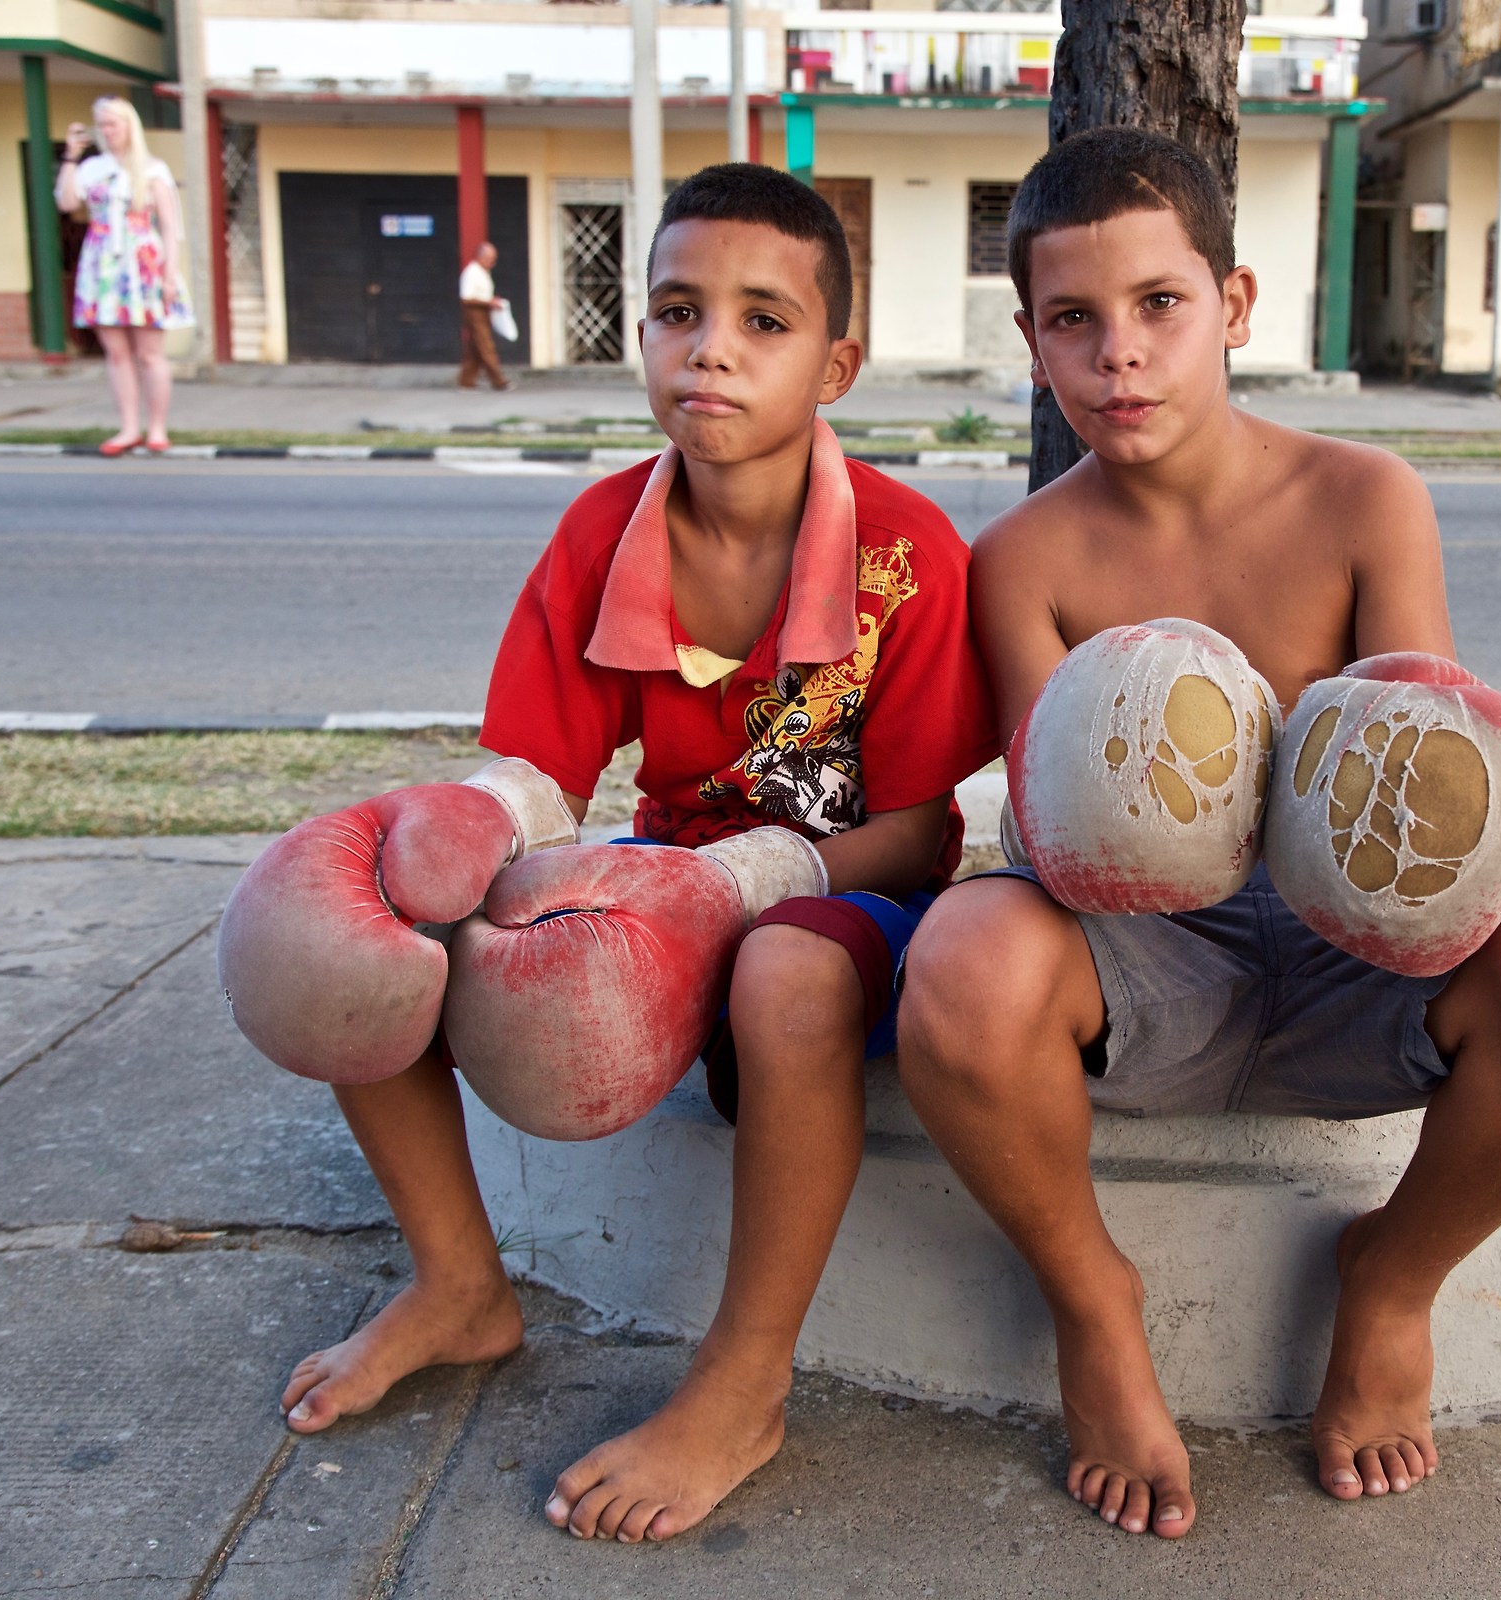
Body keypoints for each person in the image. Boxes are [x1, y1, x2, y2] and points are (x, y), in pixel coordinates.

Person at [894, 128, 1501, 1539]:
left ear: (1234, 306)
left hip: (1346, 958)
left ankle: (1392, 1280)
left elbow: (1423, 804)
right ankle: (1095, 1305)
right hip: (1148, 971)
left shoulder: (1366, 498)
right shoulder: (1022, 561)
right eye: (1075, 320)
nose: (1120, 353)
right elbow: (1048, 838)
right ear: (1033, 342)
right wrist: (1142, 783)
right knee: (964, 952)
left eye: (1159, 305)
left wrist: (1360, 786)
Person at [267, 164, 997, 1546]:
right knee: (370, 912)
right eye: (677, 308)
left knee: (784, 973)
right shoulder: (606, 527)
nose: (710, 344)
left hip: (845, 905)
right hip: (661, 888)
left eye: (763, 319)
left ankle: (743, 1382)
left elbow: (914, 830)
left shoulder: (906, 552)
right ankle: (457, 1284)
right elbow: (542, 771)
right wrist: (455, 843)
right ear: (643, 337)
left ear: (836, 361)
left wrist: (743, 882)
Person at [55, 96, 191, 456]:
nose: (107, 131)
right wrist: (70, 158)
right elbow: (68, 203)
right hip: (103, 262)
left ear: (130, 126)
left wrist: (170, 276)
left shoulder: (152, 170)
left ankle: (157, 428)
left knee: (150, 352)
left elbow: (170, 226)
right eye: (102, 124)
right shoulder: (92, 168)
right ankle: (129, 427)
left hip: (142, 262)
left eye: (113, 123)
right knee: (116, 352)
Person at [459, 241, 512, 390]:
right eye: (490, 259)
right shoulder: (472, 272)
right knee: (486, 346)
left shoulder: (483, 272)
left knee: (474, 350)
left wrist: (492, 301)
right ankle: (498, 380)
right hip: (474, 312)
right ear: (481, 257)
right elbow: (466, 297)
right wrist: (488, 302)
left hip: (484, 311)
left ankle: (466, 382)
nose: (492, 263)